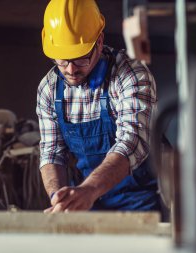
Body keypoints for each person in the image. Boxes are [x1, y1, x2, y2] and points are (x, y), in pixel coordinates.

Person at [36, 0, 161, 214]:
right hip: (90, 202)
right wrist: (60, 199)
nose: (71, 69)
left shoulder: (131, 75)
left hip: (140, 201)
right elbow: (51, 153)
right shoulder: (49, 89)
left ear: (99, 42)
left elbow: (131, 142)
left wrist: (89, 189)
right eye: (63, 61)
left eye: (81, 58)